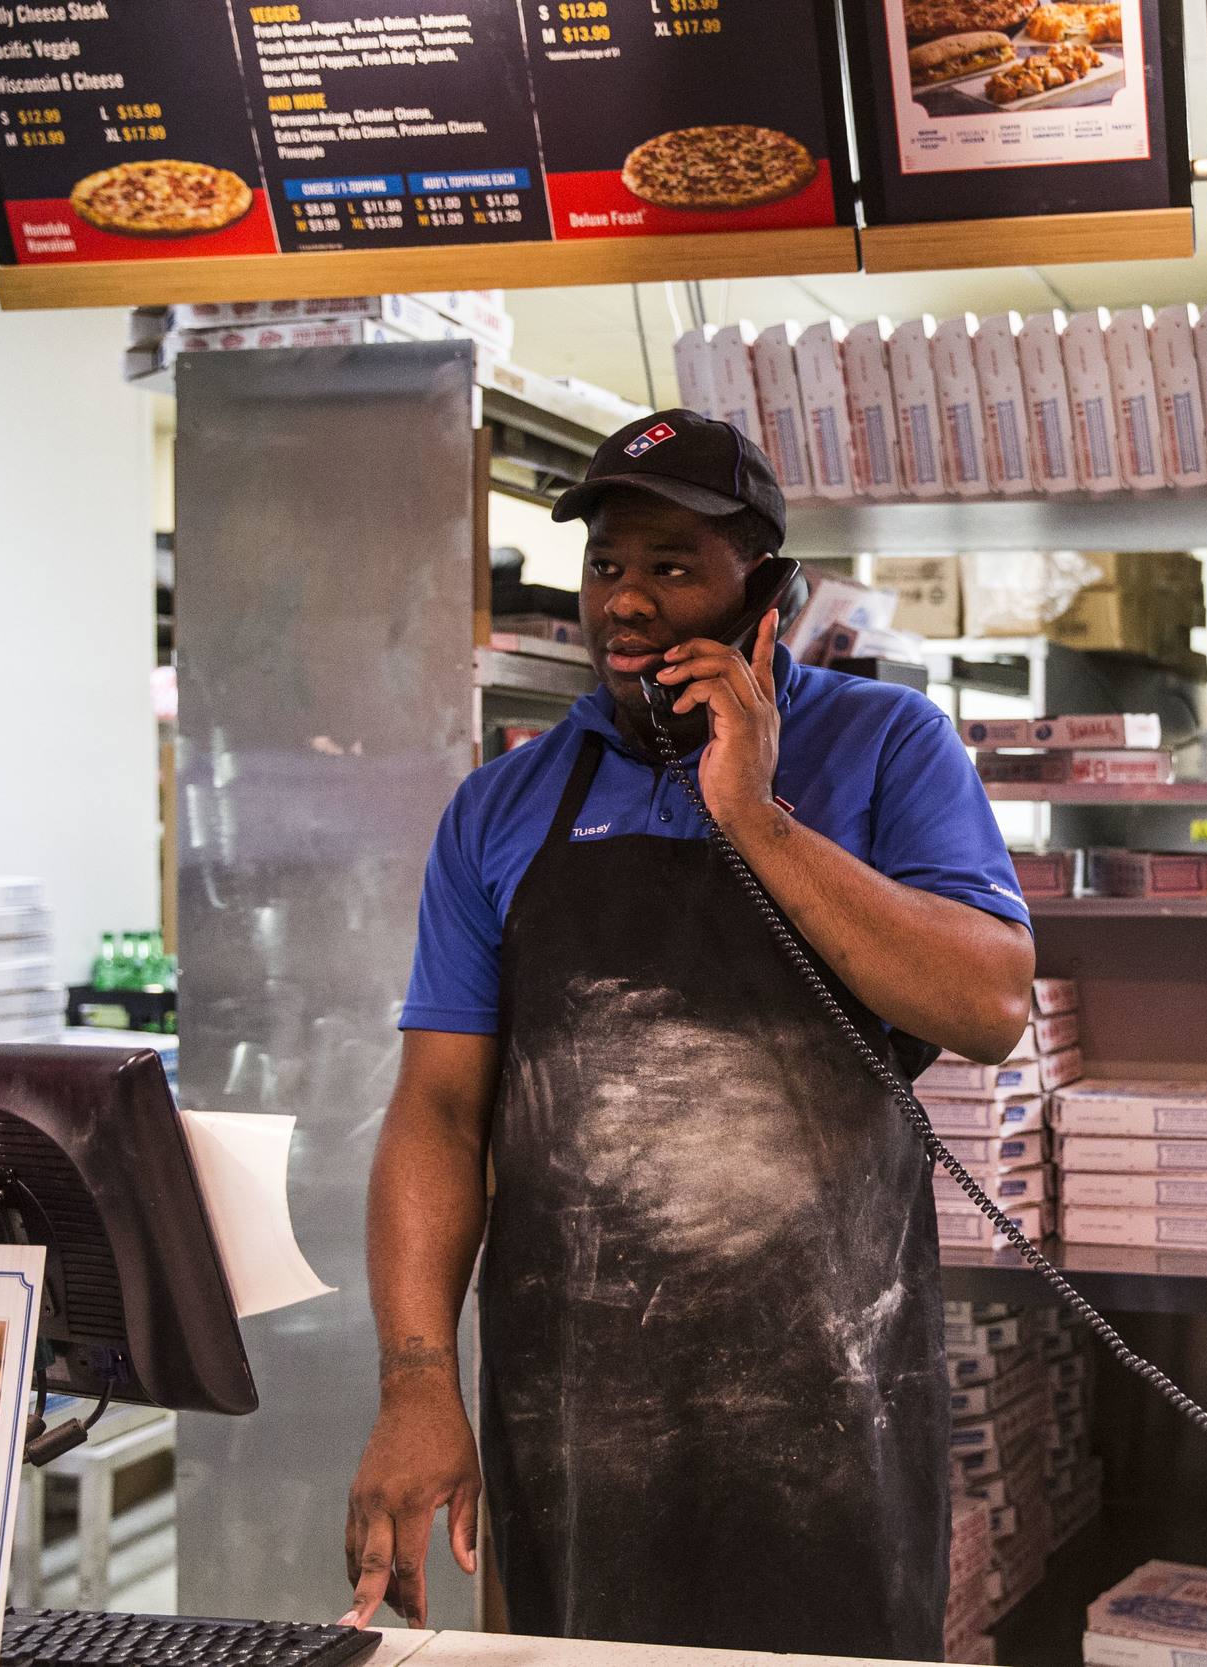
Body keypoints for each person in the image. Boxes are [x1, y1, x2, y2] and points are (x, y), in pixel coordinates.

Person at [341, 411, 1035, 1656]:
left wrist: (756, 814)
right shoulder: (502, 804)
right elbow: (437, 1112)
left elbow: (987, 1006)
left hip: (832, 1412)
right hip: (579, 1420)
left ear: (768, 591)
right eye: (608, 564)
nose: (627, 603)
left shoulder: (888, 747)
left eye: (672, 567)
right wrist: (415, 1380)